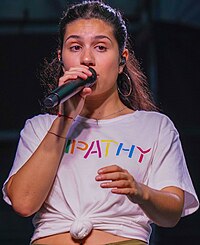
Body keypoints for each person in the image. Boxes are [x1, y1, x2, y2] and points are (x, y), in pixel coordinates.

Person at [2, 1, 199, 245]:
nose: (86, 58)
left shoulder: (155, 126)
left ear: (122, 60)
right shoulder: (39, 127)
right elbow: (23, 202)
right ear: (61, 58)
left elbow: (172, 214)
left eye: (101, 47)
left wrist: (140, 191)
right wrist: (64, 121)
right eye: (75, 47)